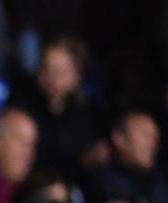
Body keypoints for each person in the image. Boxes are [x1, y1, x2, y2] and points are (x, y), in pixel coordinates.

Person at [11, 35, 103, 178]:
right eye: (45, 68)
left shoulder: (86, 116)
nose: (51, 77)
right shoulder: (21, 107)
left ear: (76, 77)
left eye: (60, 71)